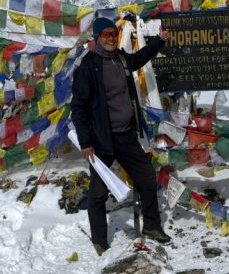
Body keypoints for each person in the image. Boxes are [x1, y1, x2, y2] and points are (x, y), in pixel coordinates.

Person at [71, 16, 171, 255]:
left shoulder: (121, 59)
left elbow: (140, 58)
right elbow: (78, 107)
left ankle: (152, 226)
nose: (111, 38)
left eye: (113, 34)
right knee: (98, 192)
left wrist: (159, 41)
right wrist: (85, 142)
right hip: (100, 140)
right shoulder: (88, 67)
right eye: (106, 34)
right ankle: (99, 240)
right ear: (97, 38)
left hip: (125, 135)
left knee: (147, 178)